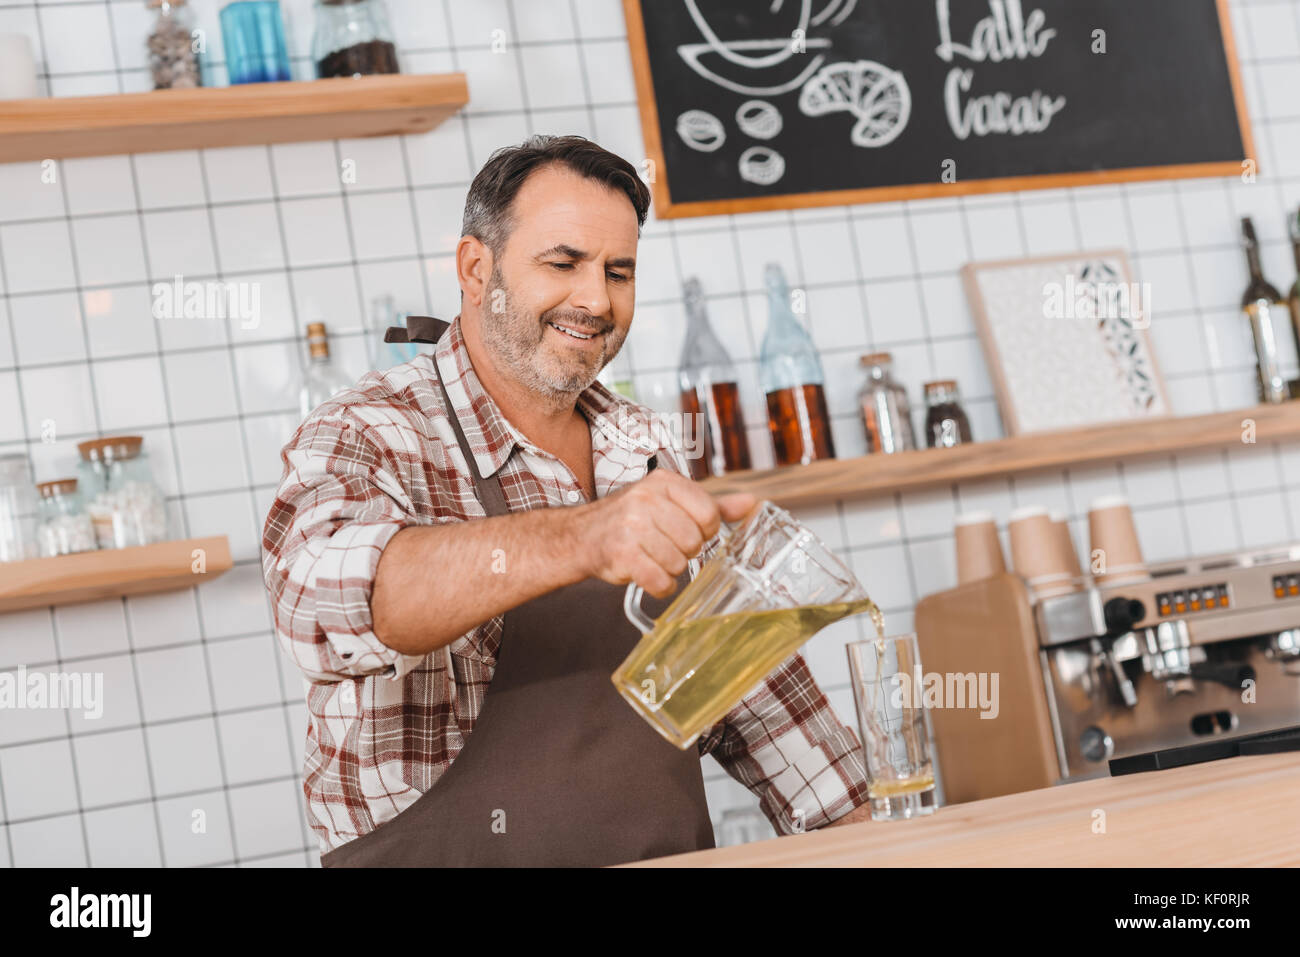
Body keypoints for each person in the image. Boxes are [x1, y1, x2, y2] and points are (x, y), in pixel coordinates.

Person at [261, 134, 872, 867]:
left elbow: (756, 696)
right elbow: (318, 609)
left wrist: (868, 831)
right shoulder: (372, 432)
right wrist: (582, 537)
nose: (595, 299)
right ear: (476, 269)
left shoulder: (643, 447)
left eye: (619, 272)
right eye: (563, 263)